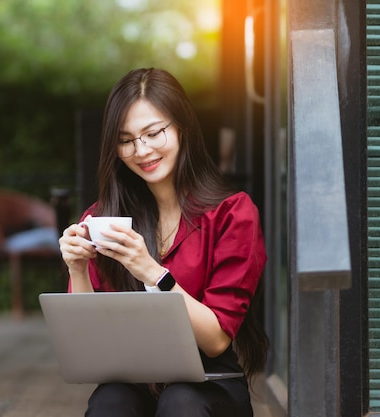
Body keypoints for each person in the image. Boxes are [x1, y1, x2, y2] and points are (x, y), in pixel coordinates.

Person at [58, 67, 268, 417]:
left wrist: (153, 272)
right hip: (133, 381)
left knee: (181, 401)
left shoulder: (232, 213)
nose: (141, 150)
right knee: (110, 402)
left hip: (209, 381)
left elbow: (216, 339)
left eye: (153, 133)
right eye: (125, 140)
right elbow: (88, 344)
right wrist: (77, 268)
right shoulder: (102, 218)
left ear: (182, 127)